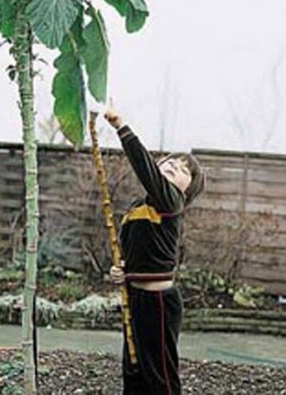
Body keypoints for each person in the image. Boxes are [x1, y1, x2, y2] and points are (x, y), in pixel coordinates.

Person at [104, 101, 205, 395]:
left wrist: (122, 127)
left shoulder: (171, 203)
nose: (175, 165)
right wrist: (122, 271)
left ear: (184, 193)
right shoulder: (138, 209)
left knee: (159, 374)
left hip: (159, 303)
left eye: (183, 170)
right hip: (136, 299)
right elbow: (135, 253)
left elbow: (146, 171)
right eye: (171, 161)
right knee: (133, 371)